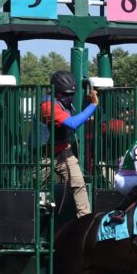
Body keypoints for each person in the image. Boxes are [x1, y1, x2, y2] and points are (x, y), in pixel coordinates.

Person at [40, 71, 99, 218]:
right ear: (55, 91)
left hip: (63, 153)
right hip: (42, 156)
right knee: (38, 191)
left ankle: (85, 220)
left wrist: (88, 100)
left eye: (72, 94)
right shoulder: (47, 105)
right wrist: (93, 105)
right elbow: (73, 123)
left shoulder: (63, 102)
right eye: (65, 94)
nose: (69, 98)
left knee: (79, 184)